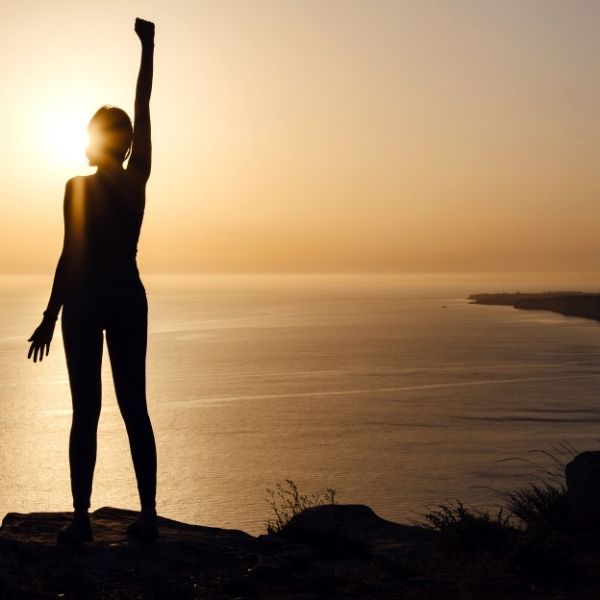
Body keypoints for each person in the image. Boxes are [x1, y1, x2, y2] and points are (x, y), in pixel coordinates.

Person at [27, 18, 158, 543]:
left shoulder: (85, 186)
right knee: (129, 409)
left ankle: (86, 520)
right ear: (123, 144)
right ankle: (135, 516)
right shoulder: (133, 182)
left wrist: (51, 314)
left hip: (89, 302)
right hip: (120, 298)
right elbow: (68, 252)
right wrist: (48, 315)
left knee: (94, 410)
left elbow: (69, 256)